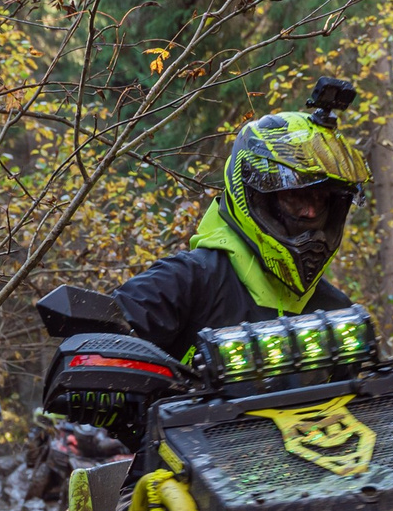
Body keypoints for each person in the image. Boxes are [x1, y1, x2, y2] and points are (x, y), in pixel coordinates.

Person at [115, 102, 368, 360]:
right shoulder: (185, 283)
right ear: (258, 196)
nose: (311, 212)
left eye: (320, 199)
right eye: (295, 196)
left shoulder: (336, 311)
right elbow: (102, 337)